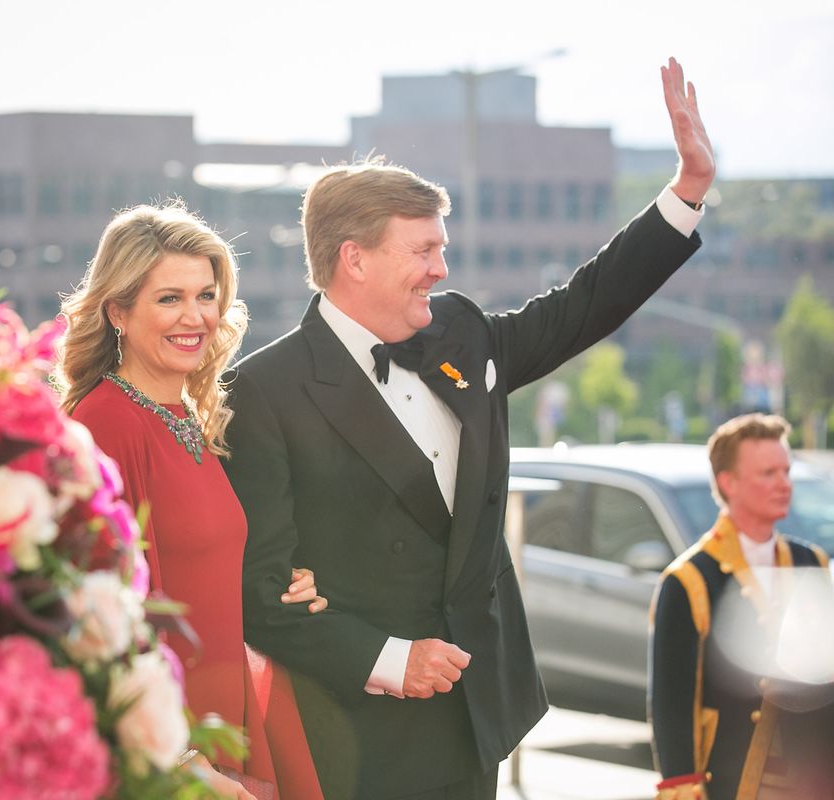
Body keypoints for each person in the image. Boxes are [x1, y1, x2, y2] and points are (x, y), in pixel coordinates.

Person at [221, 58, 714, 799]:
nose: (440, 269)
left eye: (441, 247)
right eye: (423, 250)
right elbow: (259, 598)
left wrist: (686, 194)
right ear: (353, 259)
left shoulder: (462, 333)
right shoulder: (263, 391)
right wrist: (393, 660)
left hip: (479, 708)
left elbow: (581, 307)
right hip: (357, 729)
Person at [60, 202, 327, 800]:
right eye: (169, 298)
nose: (195, 316)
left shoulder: (189, 418)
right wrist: (177, 758)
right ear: (118, 311)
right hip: (163, 742)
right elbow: (90, 613)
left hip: (219, 713)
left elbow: (198, 565)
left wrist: (283, 582)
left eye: (206, 295)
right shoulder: (104, 424)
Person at [649, 413, 834, 799]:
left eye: (786, 471)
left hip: (808, 778)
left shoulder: (810, 562)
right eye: (768, 473)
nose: (784, 484)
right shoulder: (690, 579)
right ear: (727, 482)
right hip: (732, 777)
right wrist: (682, 786)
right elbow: (672, 702)